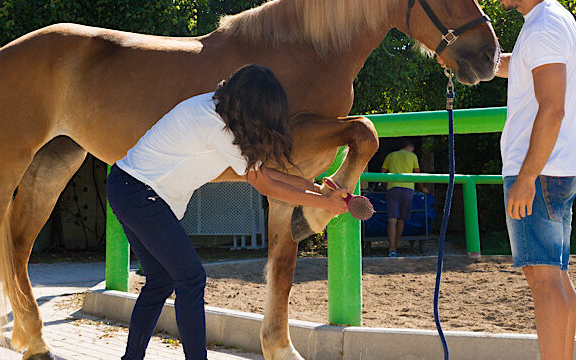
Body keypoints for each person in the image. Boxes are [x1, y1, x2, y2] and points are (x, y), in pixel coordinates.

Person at [106, 64, 348, 360]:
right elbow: (265, 185)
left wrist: (317, 190)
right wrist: (325, 204)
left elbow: (267, 173)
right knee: (191, 279)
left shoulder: (218, 109)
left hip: (127, 186)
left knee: (161, 280)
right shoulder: (216, 127)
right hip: (138, 192)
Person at [486, 0, 576, 360]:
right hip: (556, 170)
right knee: (557, 278)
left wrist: (525, 179)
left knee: (544, 282)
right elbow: (522, 68)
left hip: (539, 173)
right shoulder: (549, 22)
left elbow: (552, 109)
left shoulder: (543, 29)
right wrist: (477, 63)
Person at [379, 139, 420, 257]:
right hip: (408, 189)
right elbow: (417, 173)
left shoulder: (390, 155)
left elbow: (383, 172)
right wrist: (422, 188)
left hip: (393, 188)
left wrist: (386, 185)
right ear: (410, 147)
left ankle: (391, 249)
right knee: (401, 220)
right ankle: (395, 247)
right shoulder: (413, 156)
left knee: (392, 219)